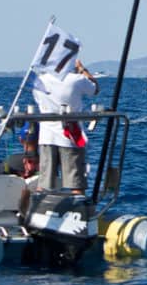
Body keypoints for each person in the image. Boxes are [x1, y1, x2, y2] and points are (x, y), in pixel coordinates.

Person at [32, 58, 99, 195]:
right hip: (70, 137)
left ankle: (40, 209)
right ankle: (79, 211)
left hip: (46, 136)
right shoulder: (76, 79)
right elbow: (95, 88)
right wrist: (82, 69)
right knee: (76, 185)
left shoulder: (39, 81)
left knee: (44, 183)